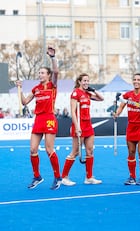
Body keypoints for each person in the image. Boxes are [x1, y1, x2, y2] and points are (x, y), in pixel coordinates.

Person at [17, 46, 62, 190]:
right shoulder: (36, 89)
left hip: (49, 118)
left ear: (48, 75)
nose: (40, 74)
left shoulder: (52, 85)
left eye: (42, 73)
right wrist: (20, 89)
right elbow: (24, 102)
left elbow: (56, 71)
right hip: (39, 119)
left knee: (49, 149)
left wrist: (53, 58)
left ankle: (57, 177)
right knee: (32, 149)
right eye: (39, 73)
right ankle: (37, 176)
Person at [61, 73, 104, 186]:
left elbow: (101, 98)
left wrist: (93, 89)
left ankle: (89, 177)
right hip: (79, 125)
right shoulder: (75, 93)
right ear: (79, 82)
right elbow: (73, 112)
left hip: (88, 125)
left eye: (88, 81)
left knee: (90, 150)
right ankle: (64, 177)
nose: (86, 83)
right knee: (75, 152)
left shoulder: (88, 93)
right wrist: (77, 127)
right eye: (84, 81)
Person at [114, 73, 140, 186]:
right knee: (131, 152)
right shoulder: (127, 95)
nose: (136, 81)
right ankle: (132, 177)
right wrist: (117, 114)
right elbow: (121, 107)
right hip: (131, 126)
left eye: (138, 80)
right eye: (134, 79)